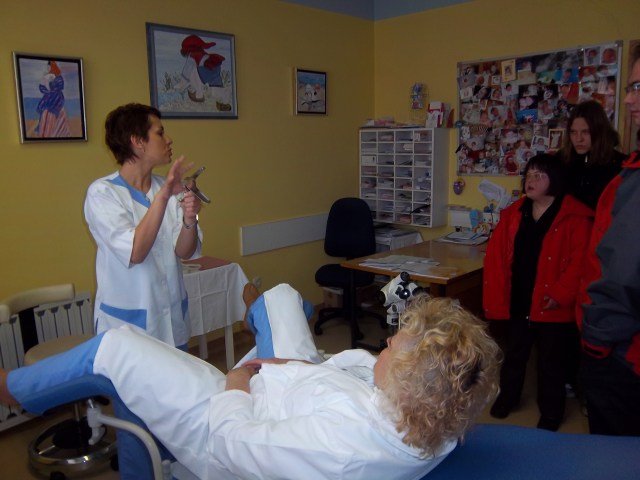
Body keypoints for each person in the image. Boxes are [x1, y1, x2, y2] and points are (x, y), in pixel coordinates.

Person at [1, 283, 499, 480]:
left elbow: (234, 442)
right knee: (282, 296)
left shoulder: (342, 448)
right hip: (299, 381)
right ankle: (256, 308)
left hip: (229, 420)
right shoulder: (439, 416)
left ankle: (15, 389)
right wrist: (295, 365)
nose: (385, 342)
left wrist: (238, 381)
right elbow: (448, 374)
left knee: (118, 348)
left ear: (412, 382)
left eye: (394, 347)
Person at [483, 154, 593, 431]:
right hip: (520, 298)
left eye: (539, 175)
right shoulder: (515, 213)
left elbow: (581, 263)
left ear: (554, 180)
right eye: (529, 174)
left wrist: (560, 293)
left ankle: (552, 411)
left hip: (551, 303)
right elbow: (498, 256)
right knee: (515, 355)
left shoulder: (575, 216)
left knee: (550, 362)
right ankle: (508, 397)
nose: (530, 180)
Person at [84, 103, 202, 349]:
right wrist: (164, 195)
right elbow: (135, 252)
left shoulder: (165, 187)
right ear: (137, 141)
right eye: (160, 133)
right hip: (128, 328)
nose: (168, 140)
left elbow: (184, 251)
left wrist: (190, 219)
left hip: (172, 322)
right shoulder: (102, 194)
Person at [578, 45, 640, 436]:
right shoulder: (628, 172)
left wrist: (596, 343)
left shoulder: (623, 174)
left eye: (638, 87)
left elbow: (621, 276)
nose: (629, 99)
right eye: (631, 87)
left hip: (619, 351)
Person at [558, 100, 625, 210]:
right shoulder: (561, 160)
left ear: (600, 131)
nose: (578, 139)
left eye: (586, 132)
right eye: (573, 132)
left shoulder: (619, 165)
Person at [35, 60, 71, 138]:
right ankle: (43, 130)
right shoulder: (46, 77)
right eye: (47, 67)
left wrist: (50, 86)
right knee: (44, 109)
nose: (48, 69)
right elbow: (41, 88)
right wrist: (47, 89)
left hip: (57, 98)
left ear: (52, 67)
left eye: (49, 67)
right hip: (49, 97)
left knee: (51, 110)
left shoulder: (59, 77)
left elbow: (59, 87)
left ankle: (57, 131)